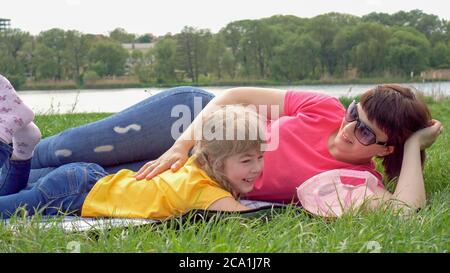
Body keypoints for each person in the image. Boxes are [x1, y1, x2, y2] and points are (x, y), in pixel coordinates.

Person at [4, 74, 443, 214]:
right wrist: (181, 146)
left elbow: (408, 210)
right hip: (194, 119)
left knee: (56, 184)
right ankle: (13, 136)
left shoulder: (359, 180)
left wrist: (414, 147)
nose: (350, 128)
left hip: (198, 173)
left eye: (367, 132)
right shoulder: (324, 107)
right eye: (355, 113)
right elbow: (231, 98)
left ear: (387, 148)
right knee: (58, 151)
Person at [0, 77, 266, 219]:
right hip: (74, 194)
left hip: (87, 180)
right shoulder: (204, 192)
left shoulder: (195, 165)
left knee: (9, 197)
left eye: (260, 157)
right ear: (216, 161)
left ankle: (22, 153)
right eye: (246, 161)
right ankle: (9, 140)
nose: (257, 168)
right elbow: (253, 220)